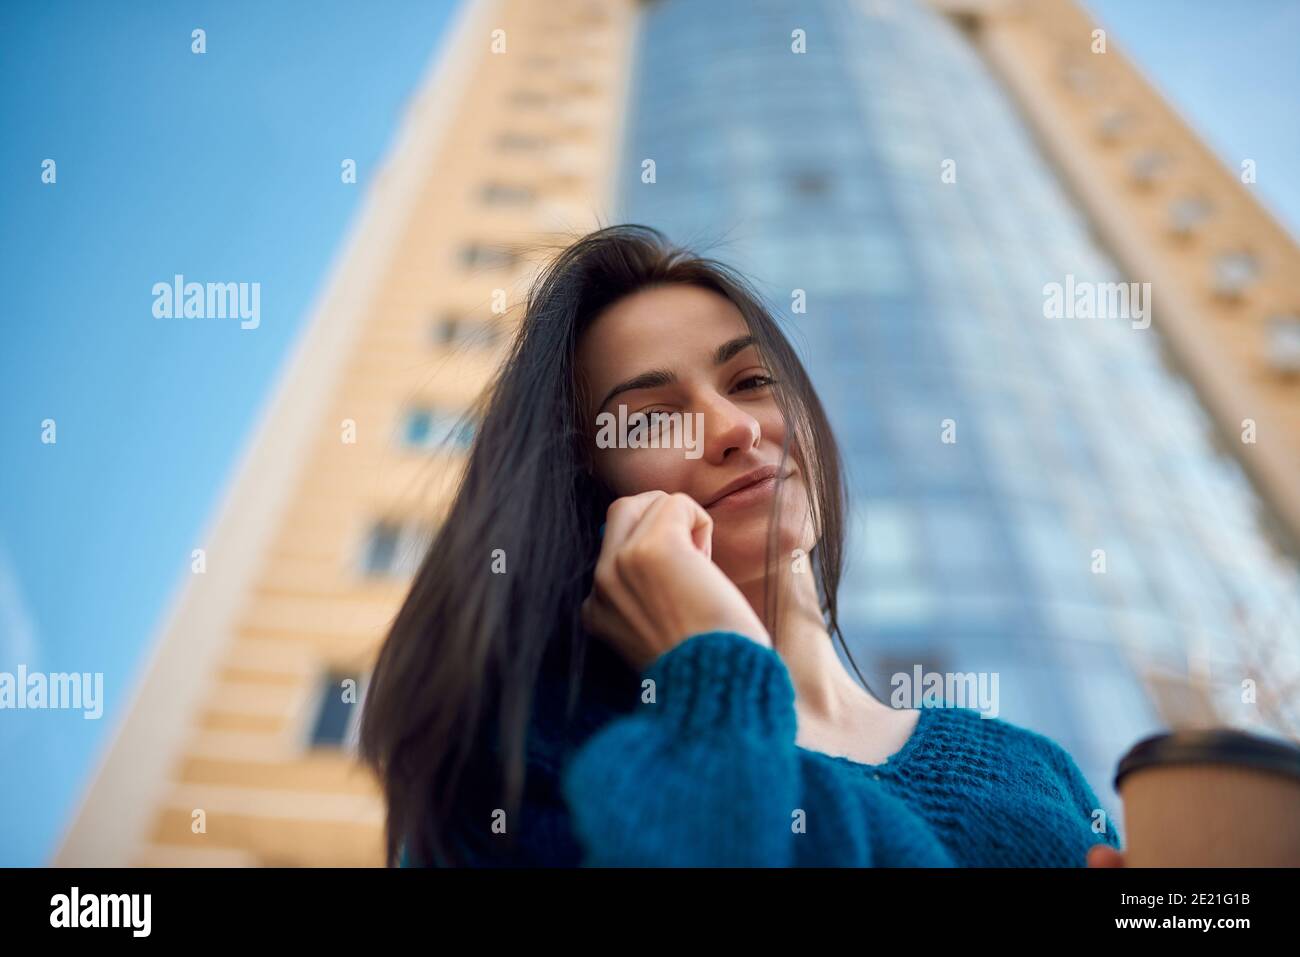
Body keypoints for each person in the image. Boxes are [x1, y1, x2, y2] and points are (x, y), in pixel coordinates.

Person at [357, 224, 1125, 867]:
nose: (733, 428)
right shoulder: (538, 763)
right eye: (652, 419)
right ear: (588, 497)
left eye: (753, 380)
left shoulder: (1037, 771)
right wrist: (716, 667)